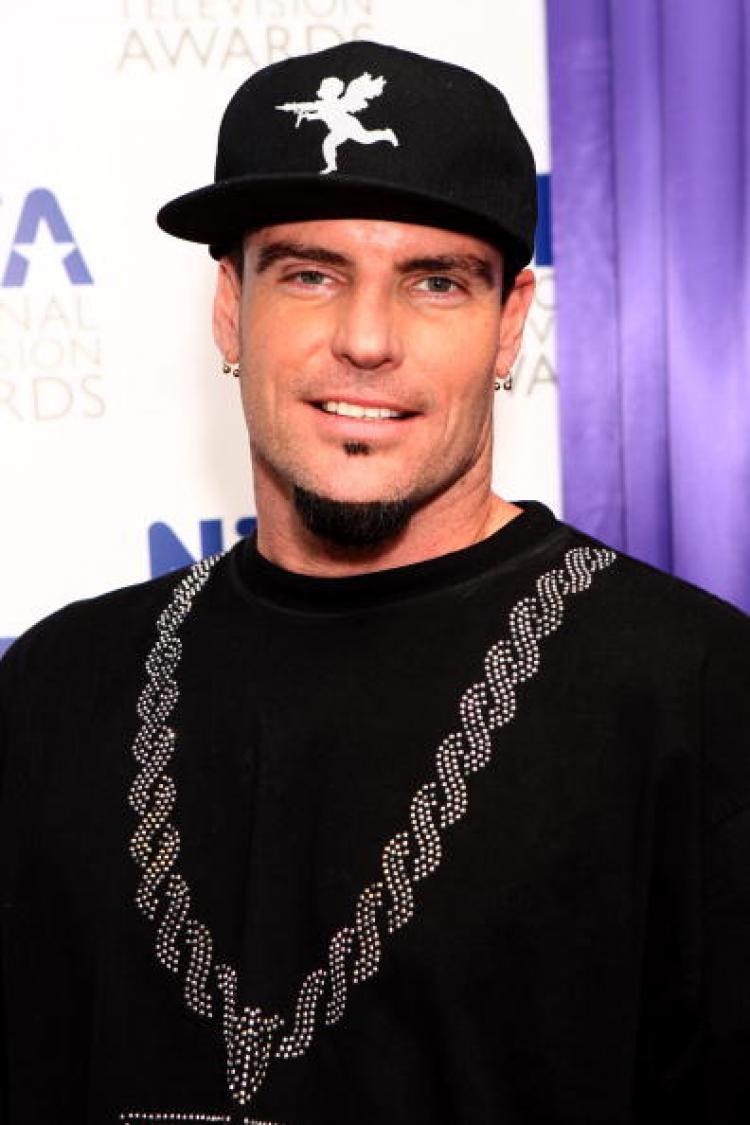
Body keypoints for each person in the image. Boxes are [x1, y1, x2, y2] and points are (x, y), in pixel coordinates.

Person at [0, 39, 748, 1125]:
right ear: (230, 306)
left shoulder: (697, 693)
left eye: (434, 282)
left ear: (510, 323)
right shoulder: (55, 689)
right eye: (311, 273)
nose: (365, 339)